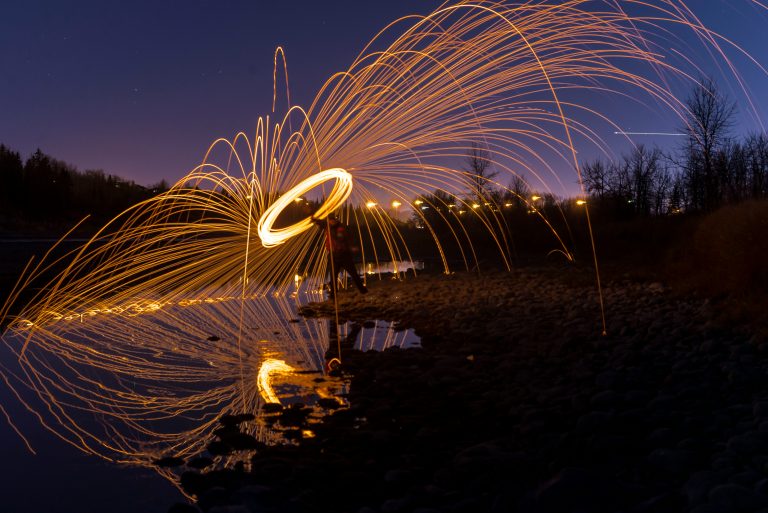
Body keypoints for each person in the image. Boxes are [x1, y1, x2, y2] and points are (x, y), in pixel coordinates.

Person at [310, 213, 368, 298]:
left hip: (344, 255)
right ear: (329, 220)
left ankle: (363, 291)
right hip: (333, 256)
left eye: (333, 220)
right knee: (333, 276)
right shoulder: (327, 226)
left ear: (337, 220)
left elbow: (349, 238)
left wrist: (352, 246)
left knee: (354, 274)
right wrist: (313, 218)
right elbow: (320, 222)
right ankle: (333, 294)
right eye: (330, 220)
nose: (332, 222)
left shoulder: (342, 227)